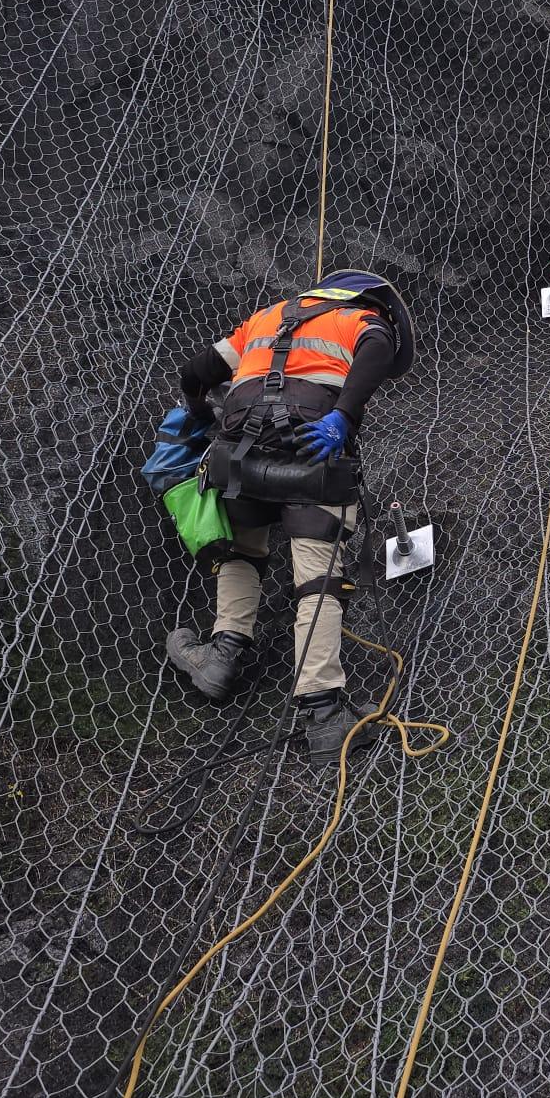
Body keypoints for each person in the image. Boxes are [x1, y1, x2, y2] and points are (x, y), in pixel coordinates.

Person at [164, 270, 414, 764]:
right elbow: (378, 348)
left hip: (237, 460)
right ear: (366, 297)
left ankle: (222, 655)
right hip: (311, 456)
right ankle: (323, 714)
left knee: (242, 551)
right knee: (317, 580)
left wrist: (201, 417)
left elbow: (194, 374)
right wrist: (343, 415)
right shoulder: (359, 317)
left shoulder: (264, 319)